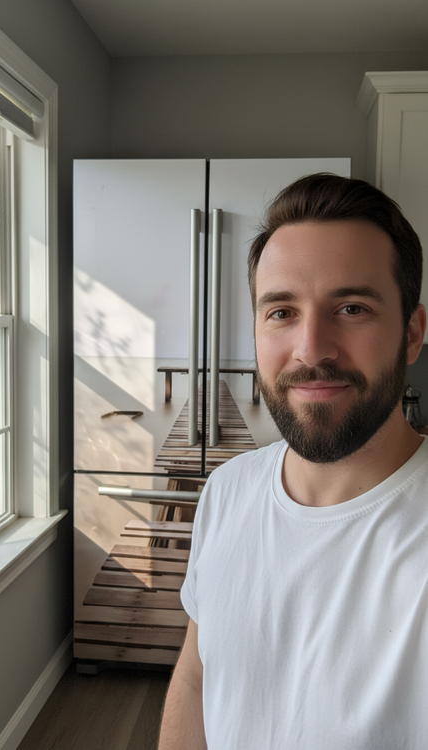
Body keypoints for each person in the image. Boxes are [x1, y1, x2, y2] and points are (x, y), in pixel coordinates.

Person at [158, 173, 428, 749]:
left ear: (411, 333)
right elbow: (196, 679)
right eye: (281, 312)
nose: (311, 350)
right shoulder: (226, 491)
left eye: (351, 308)